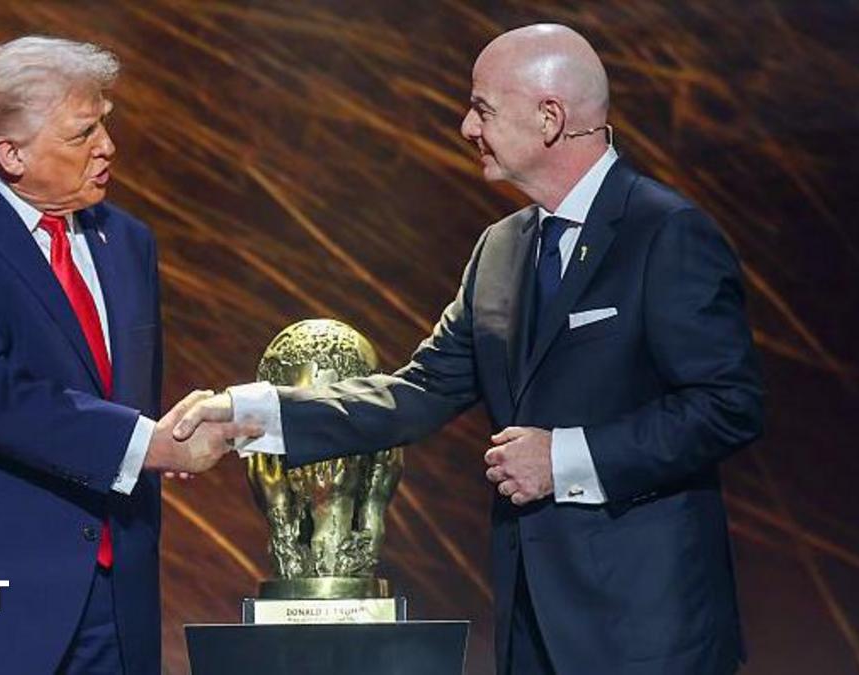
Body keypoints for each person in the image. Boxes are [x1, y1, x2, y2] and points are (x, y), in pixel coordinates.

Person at [175, 23, 764, 675]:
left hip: (649, 632)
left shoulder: (666, 232)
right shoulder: (500, 249)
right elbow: (419, 391)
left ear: (550, 117)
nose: (465, 126)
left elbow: (727, 404)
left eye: (482, 108)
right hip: (531, 623)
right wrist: (247, 412)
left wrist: (565, 456)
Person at [0, 36, 256, 675]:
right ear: (11, 153)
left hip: (110, 603)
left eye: (105, 125)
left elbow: (122, 401)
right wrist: (146, 445)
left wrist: (164, 435)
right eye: (82, 133)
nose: (107, 147)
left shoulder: (127, 241)